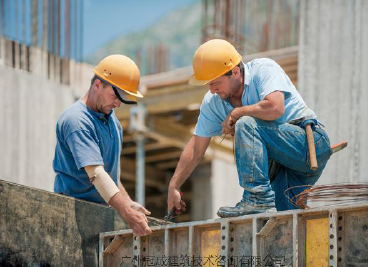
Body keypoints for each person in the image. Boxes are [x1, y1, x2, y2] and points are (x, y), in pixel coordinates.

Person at [167, 39, 332, 218]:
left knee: (246, 123)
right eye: (209, 85)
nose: (212, 90)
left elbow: (276, 108)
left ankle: (257, 198)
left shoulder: (263, 69)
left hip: (308, 144)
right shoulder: (213, 102)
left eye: (216, 83)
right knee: (284, 222)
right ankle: (261, 202)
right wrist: (174, 185)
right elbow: (196, 147)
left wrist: (238, 112)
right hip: (281, 167)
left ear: (235, 71)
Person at [53, 54, 152, 235]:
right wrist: (126, 213)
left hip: (99, 213)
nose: (118, 103)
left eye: (123, 98)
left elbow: (108, 173)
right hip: (72, 215)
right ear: (98, 84)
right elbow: (97, 174)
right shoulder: (77, 121)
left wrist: (127, 201)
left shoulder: (112, 121)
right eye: (116, 95)